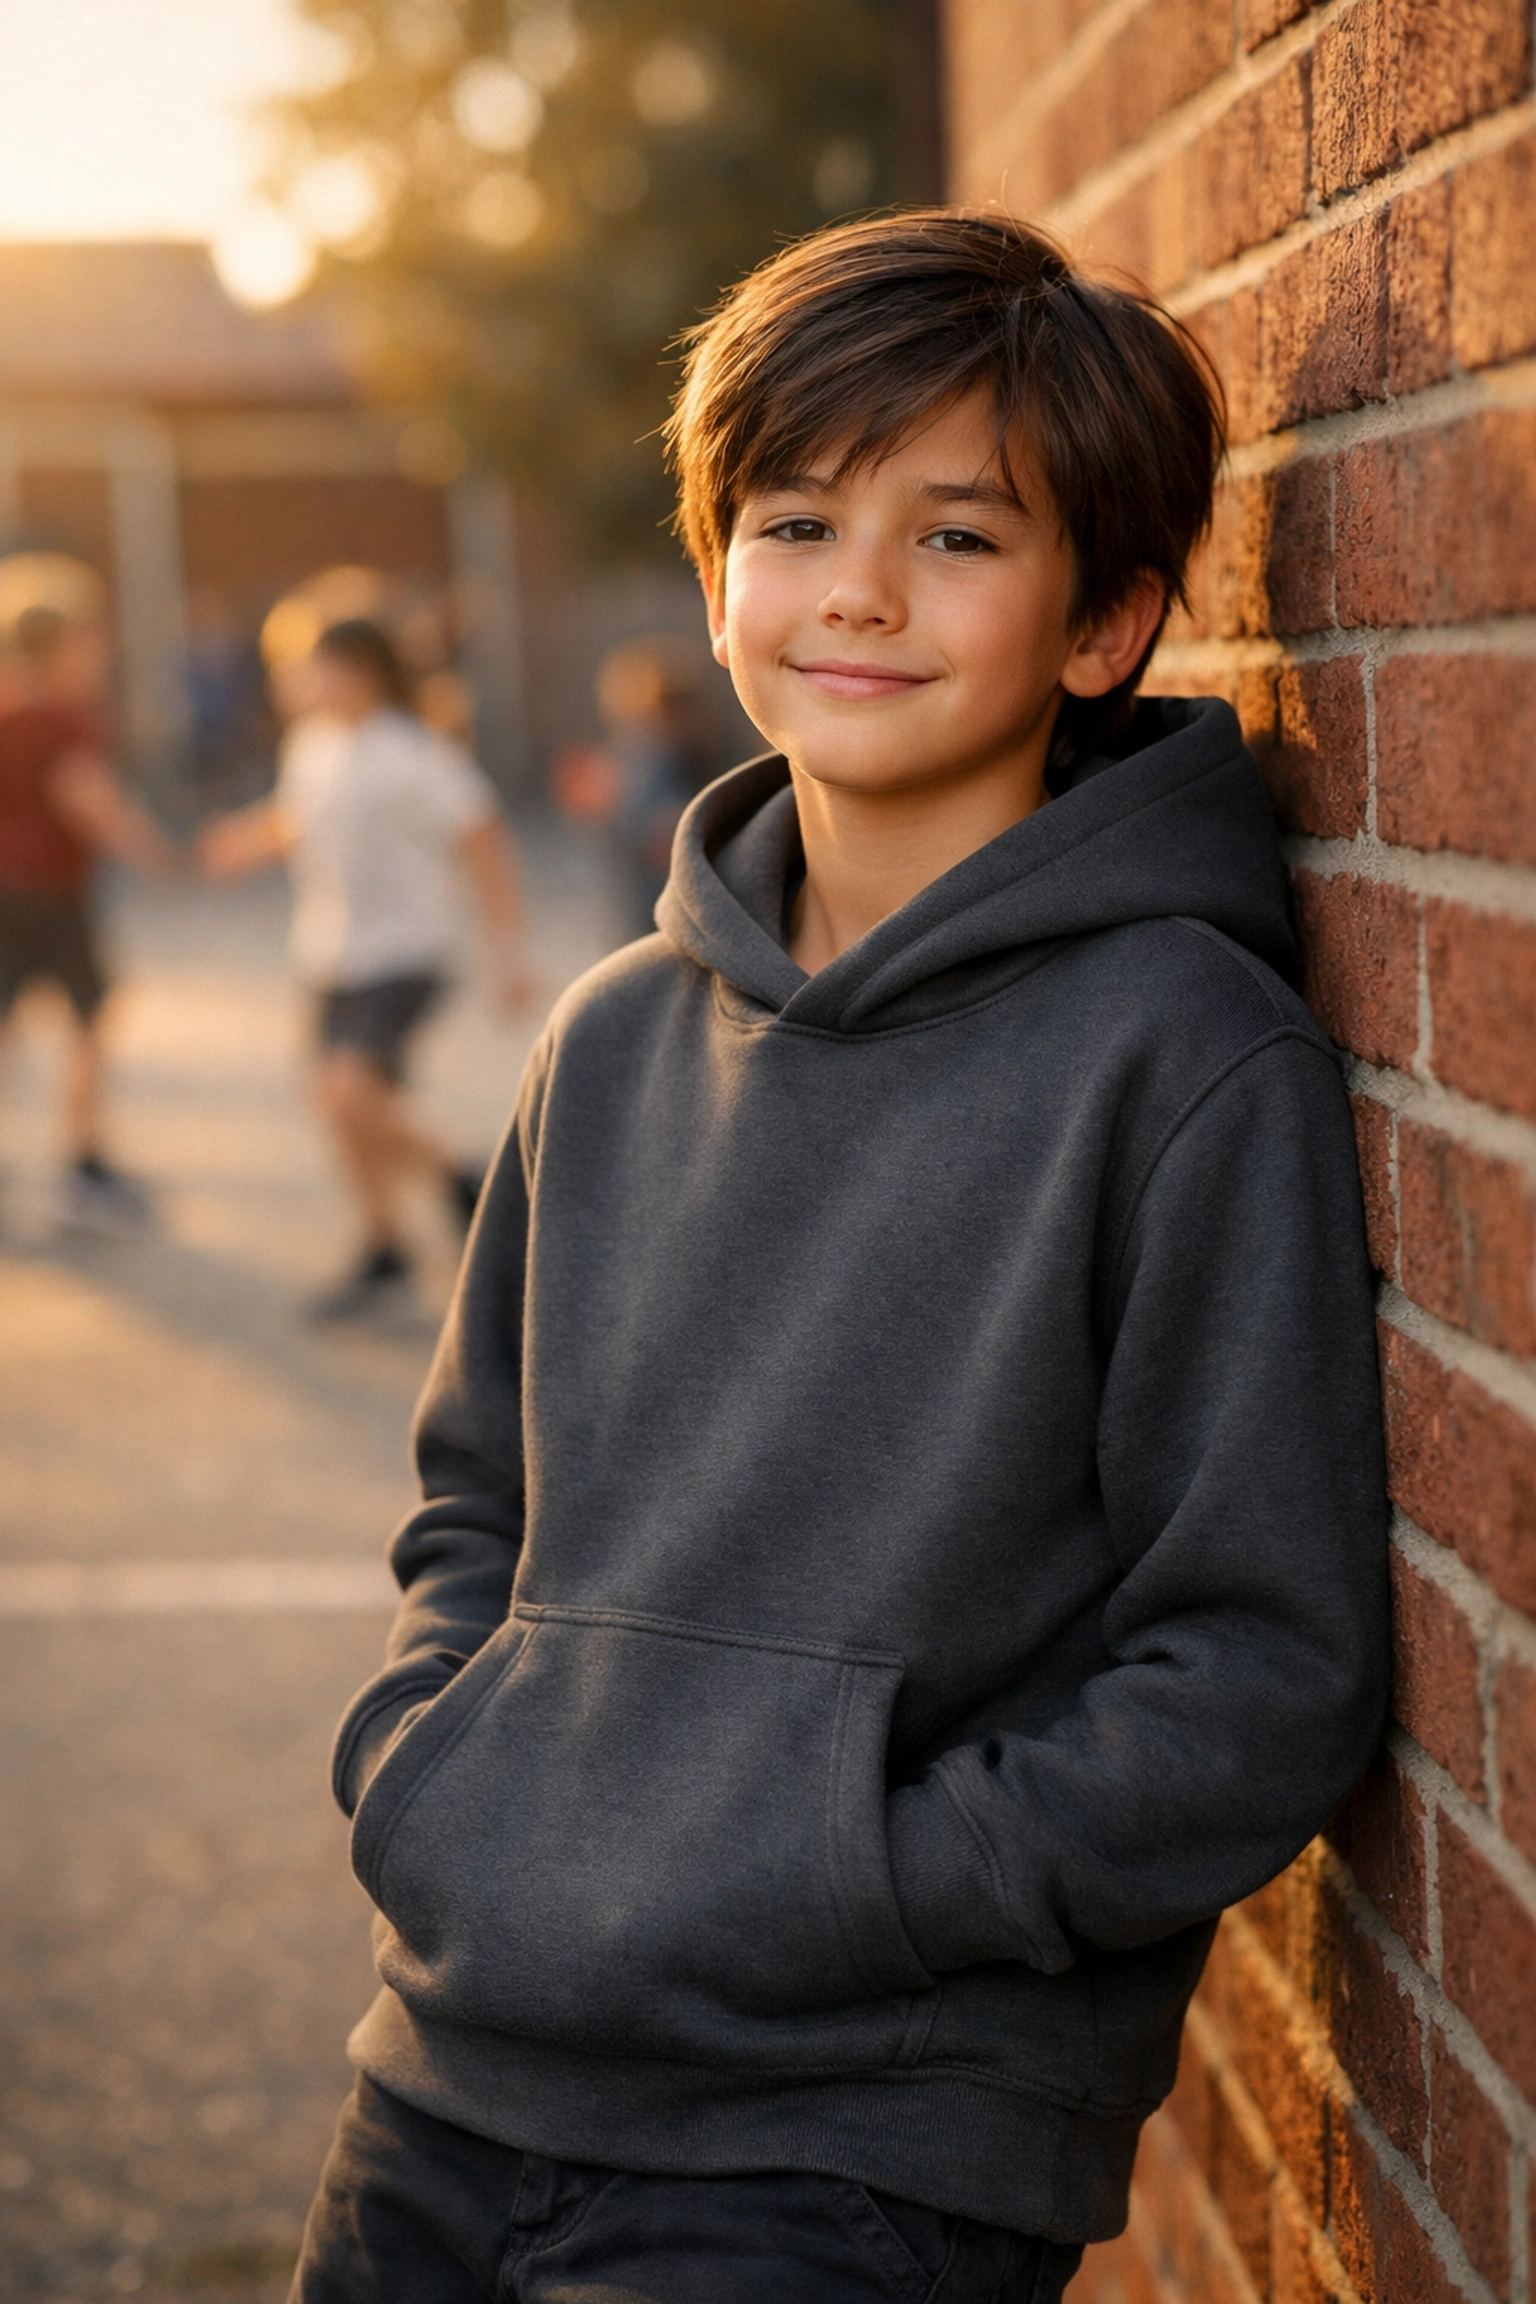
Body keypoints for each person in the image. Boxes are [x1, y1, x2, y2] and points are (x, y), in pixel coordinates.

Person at [292, 213, 1390, 2301]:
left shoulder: (1179, 1055)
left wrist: (877, 1877)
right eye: (795, 520)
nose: (859, 592)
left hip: (860, 2151)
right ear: (717, 576)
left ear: (1106, 621)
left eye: (961, 537)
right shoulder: (611, 1033)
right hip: (444, 2079)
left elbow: (1263, 1667)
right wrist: (435, 1771)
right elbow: (476, 1502)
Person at [199, 618, 532, 1321]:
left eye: (315, 667)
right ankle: (387, 1246)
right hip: (331, 951)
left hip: (407, 951)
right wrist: (246, 841)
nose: (299, 682)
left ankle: (467, 1178)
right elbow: (297, 819)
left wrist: (508, 952)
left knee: (351, 1090)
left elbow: (484, 841)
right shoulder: (313, 747)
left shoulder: (413, 753)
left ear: (361, 672)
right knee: (337, 1105)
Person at [0, 600, 177, 1230]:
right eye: (89, 646)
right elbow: (85, 796)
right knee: (89, 1023)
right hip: (49, 893)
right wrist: (153, 853)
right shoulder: (62, 718)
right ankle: (84, 1166)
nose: (99, 660)